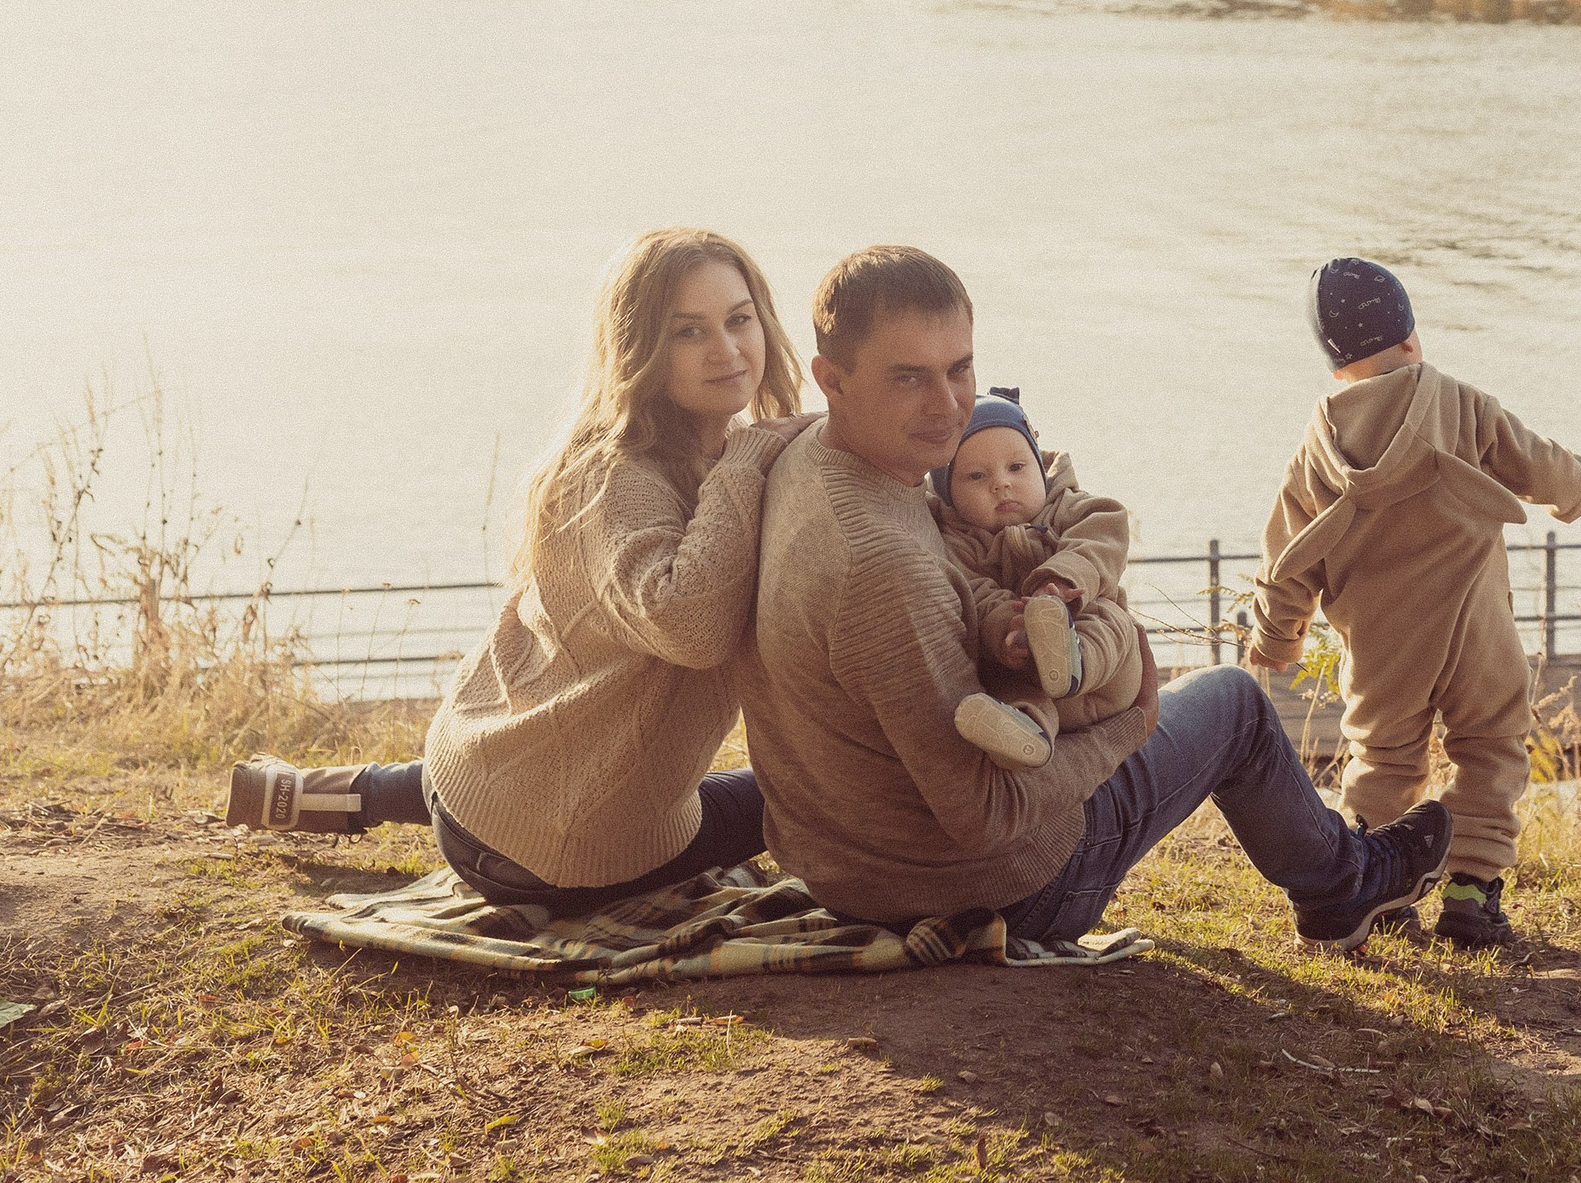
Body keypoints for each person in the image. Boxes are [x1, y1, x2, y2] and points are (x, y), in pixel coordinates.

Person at [737, 244, 1452, 952]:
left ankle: (1339, 875)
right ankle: (1346, 885)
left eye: (959, 369)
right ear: (832, 379)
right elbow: (985, 816)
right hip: (1004, 886)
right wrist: (1128, 724)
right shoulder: (882, 564)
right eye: (908, 377)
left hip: (849, 864)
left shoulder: (800, 453)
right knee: (1234, 701)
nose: (948, 405)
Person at [227, 228, 811, 914]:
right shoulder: (620, 478)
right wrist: (749, 459)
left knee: (524, 780)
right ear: (641, 349)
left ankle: (316, 793)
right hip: (559, 857)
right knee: (814, 786)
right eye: (689, 331)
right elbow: (694, 628)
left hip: (484, 772)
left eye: (739, 319)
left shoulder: (678, 452)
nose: (727, 349)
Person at [1248, 257, 1581, 949]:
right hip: (1475, 629)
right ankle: (1470, 892)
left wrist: (1277, 637)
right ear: (1410, 336)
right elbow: (1543, 468)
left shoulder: (1318, 450)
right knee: (1491, 748)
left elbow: (1288, 555)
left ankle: (1375, 887)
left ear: (1336, 368)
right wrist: (1575, 489)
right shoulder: (1462, 406)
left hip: (1381, 642)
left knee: (1383, 758)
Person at [929, 389, 1145, 771]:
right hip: (1026, 673)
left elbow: (1102, 539)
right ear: (949, 494)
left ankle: (1072, 657)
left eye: (1016, 467)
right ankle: (1027, 733)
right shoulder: (958, 544)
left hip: (1107, 676)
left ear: (1039, 465)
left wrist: (1060, 582)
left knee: (1111, 618)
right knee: (1001, 684)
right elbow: (974, 594)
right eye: (977, 476)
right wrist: (1007, 629)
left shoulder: (1072, 507)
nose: (1001, 484)